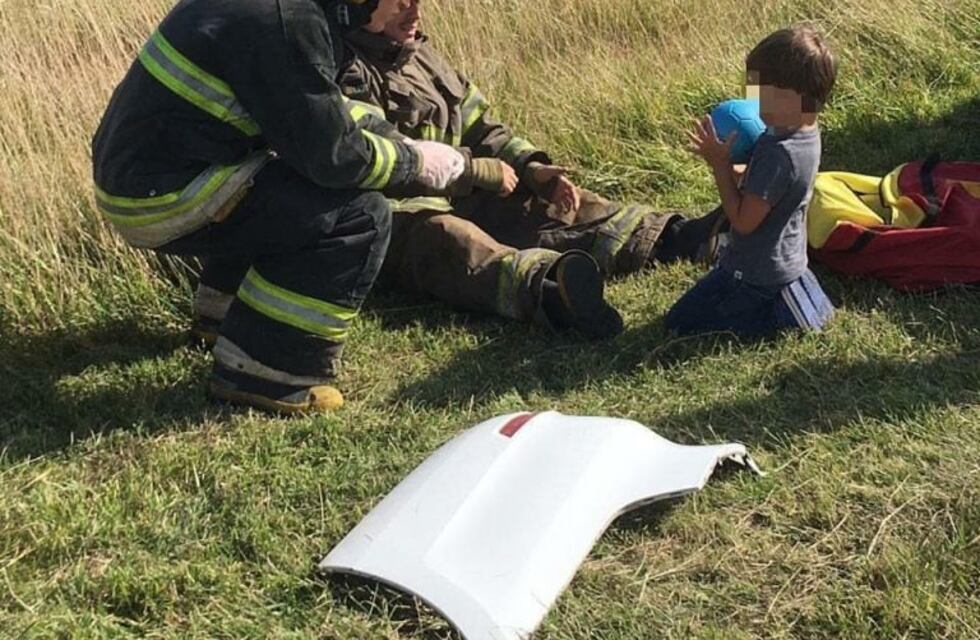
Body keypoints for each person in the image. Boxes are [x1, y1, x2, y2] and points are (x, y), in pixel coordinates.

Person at [92, 0, 469, 414]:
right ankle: (269, 372)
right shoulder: (288, 22)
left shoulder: (281, 10)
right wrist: (416, 162)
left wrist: (395, 138)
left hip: (150, 179)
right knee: (359, 214)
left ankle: (222, 317)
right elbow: (335, 158)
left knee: (275, 187)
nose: (412, 8)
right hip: (167, 196)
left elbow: (322, 109)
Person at [286, 0, 724, 339]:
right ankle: (551, 291)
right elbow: (385, 155)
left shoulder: (418, 52)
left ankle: (670, 239)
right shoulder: (339, 74)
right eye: (400, 2)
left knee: (554, 205)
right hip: (396, 213)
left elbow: (481, 123)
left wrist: (530, 167)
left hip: (467, 186)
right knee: (451, 241)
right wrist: (476, 172)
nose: (416, 11)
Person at [665, 25, 837, 338]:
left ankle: (782, 317)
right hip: (785, 259)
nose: (755, 103)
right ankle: (795, 293)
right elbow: (768, 189)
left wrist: (718, 165)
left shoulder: (779, 153)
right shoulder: (804, 132)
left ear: (794, 96)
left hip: (756, 273)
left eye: (763, 94)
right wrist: (735, 168)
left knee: (680, 324)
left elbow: (743, 222)